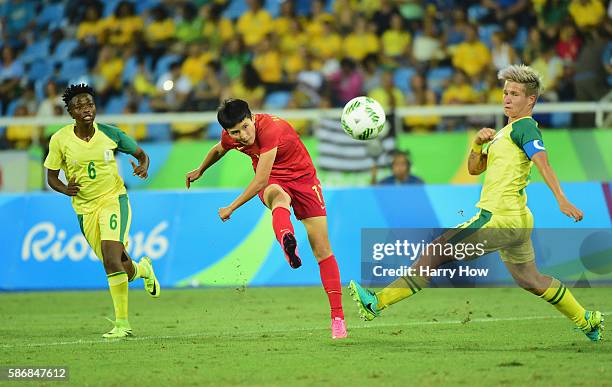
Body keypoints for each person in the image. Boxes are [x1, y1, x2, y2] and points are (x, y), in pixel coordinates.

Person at [349, 64, 604, 341]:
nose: (507, 98)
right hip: (517, 220)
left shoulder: (525, 128)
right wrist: (477, 144)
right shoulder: (503, 134)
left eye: (515, 94)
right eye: (506, 92)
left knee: (434, 252)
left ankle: (377, 302)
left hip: (497, 218)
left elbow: (541, 161)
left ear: (531, 99)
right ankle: (587, 319)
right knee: (532, 280)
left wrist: (561, 198)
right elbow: (474, 169)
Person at [185, 99, 347, 339]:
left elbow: (259, 180)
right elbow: (219, 148)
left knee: (322, 250)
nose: (242, 136)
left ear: (252, 118)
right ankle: (286, 240)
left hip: (304, 181)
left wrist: (232, 207)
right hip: (275, 180)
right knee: (277, 197)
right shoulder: (231, 136)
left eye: (245, 127)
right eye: (235, 132)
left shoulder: (271, 129)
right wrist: (201, 169)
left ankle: (337, 318)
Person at [43, 84, 160, 339]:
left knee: (110, 259)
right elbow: (51, 177)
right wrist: (65, 189)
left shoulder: (111, 134)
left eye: (90, 104)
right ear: (71, 112)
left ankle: (122, 324)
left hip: (113, 200)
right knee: (118, 263)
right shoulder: (60, 139)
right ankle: (143, 271)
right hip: (85, 209)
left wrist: (142, 167)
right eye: (79, 106)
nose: (86, 109)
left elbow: (142, 155)